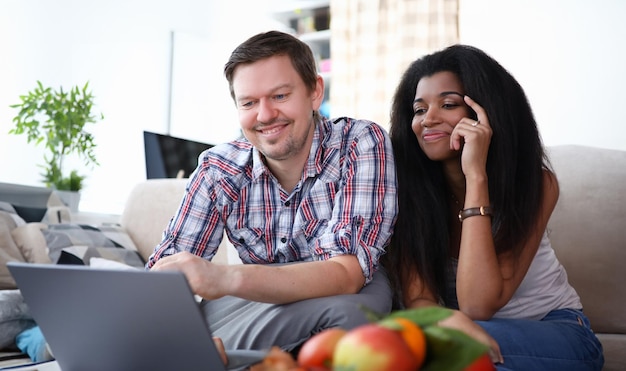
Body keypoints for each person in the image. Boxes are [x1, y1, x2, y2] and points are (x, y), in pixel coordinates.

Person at [147, 30, 398, 360]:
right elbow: (164, 276)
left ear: (314, 92)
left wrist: (223, 277)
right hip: (256, 302)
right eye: (249, 103)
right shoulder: (217, 168)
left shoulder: (361, 142)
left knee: (358, 311)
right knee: (169, 330)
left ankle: (226, 356)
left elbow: (347, 274)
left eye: (279, 96)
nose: (264, 115)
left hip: (342, 293)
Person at [383, 44, 604, 371]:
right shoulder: (407, 195)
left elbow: (477, 305)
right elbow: (421, 301)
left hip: (559, 332)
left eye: (448, 104)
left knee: (453, 350)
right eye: (418, 110)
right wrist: (444, 322)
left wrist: (476, 176)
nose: (428, 120)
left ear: (485, 112)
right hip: (467, 337)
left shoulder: (537, 184)